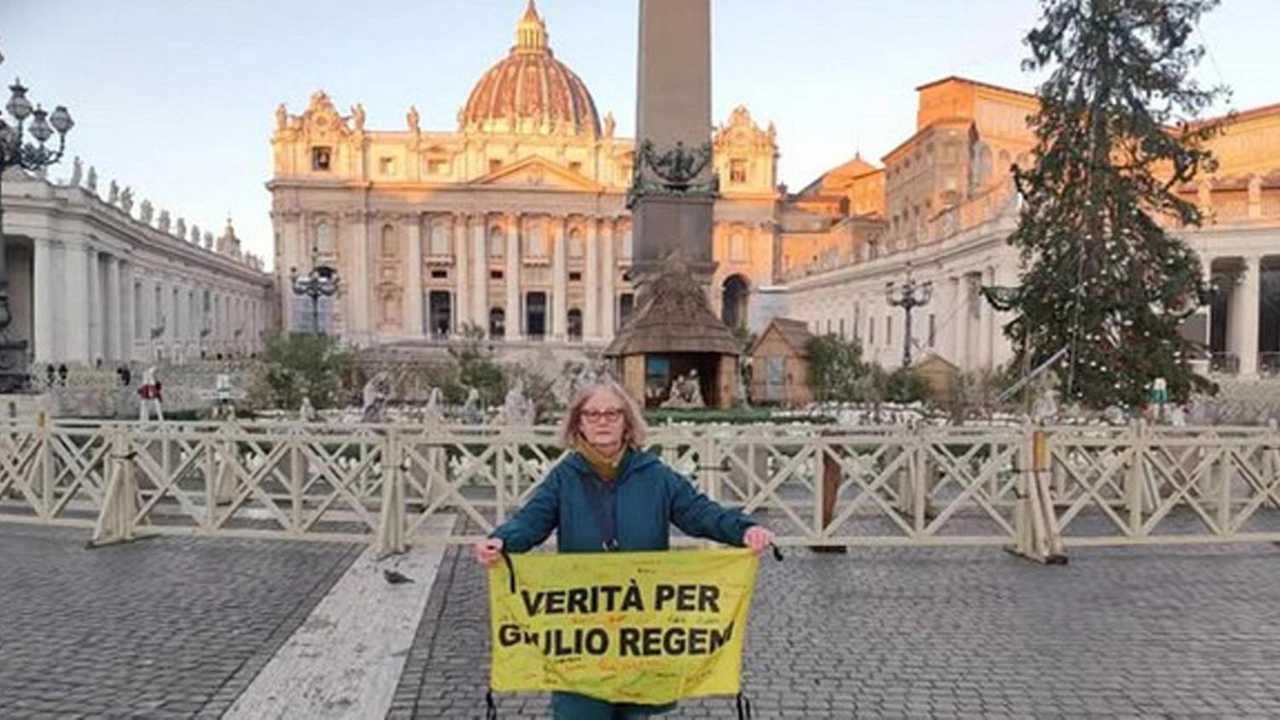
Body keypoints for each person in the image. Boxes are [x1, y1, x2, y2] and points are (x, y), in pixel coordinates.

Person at [474, 378, 774, 720]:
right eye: (592, 414)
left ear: (627, 422)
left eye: (612, 413)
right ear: (578, 423)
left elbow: (700, 513)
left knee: (636, 712)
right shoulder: (564, 478)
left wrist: (745, 530)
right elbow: (531, 520)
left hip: (640, 626)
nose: (602, 421)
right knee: (580, 711)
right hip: (582, 628)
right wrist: (502, 540)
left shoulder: (656, 476)